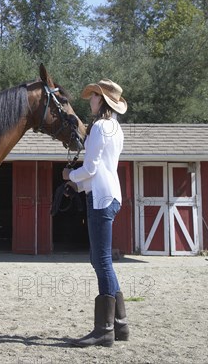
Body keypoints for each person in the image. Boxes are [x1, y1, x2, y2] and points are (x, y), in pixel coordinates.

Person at [62, 79, 129, 347]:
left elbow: (90, 170)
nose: (89, 100)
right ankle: (119, 325)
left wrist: (70, 175)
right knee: (99, 259)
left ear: (102, 100)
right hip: (110, 194)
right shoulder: (116, 128)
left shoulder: (100, 127)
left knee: (101, 261)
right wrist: (76, 185)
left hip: (100, 198)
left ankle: (104, 329)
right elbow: (100, 169)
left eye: (93, 96)